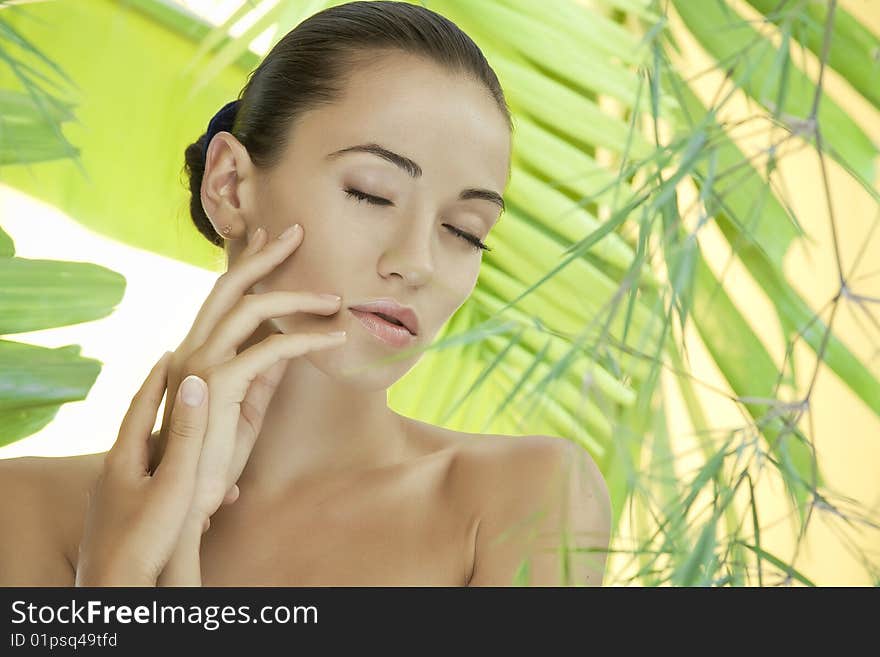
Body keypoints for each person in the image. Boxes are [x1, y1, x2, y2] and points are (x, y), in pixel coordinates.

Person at [0, 0, 611, 587]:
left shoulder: (527, 498)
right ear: (231, 185)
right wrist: (131, 561)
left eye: (464, 231)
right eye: (372, 193)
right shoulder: (19, 512)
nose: (418, 262)